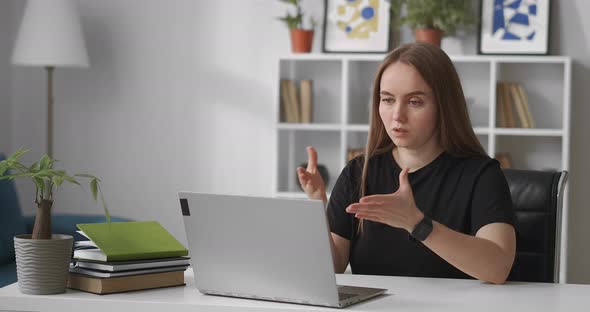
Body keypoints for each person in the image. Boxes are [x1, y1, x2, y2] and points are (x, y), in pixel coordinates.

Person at [297, 42, 516, 284]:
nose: (397, 115)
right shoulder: (358, 172)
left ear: (444, 106)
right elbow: (335, 265)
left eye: (414, 102)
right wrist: (317, 204)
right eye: (388, 100)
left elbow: (497, 268)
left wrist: (417, 224)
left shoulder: (481, 174)